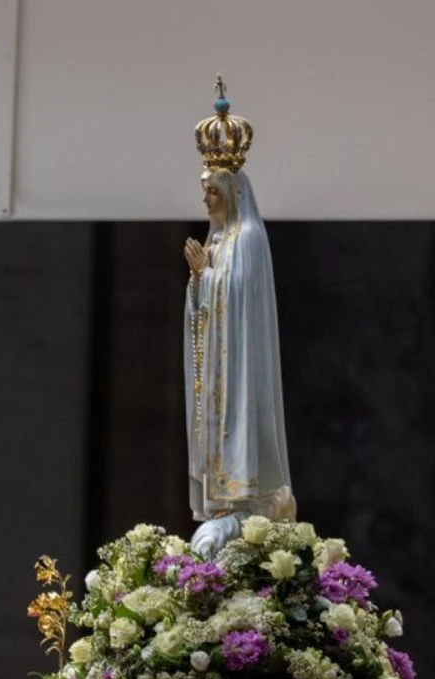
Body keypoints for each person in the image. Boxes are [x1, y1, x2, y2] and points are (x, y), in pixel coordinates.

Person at [181, 79, 296, 558]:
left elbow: (241, 301)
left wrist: (207, 279)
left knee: (236, 427)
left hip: (237, 363)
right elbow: (205, 307)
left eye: (212, 192)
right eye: (205, 191)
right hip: (216, 370)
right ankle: (222, 506)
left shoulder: (245, 238)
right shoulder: (215, 241)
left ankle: (245, 500)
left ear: (231, 189)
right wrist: (198, 284)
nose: (206, 201)